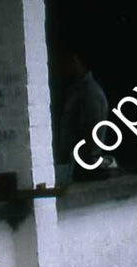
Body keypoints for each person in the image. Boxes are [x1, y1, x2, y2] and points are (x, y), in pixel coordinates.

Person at [54, 45, 111, 183]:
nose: (62, 69)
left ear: (75, 61)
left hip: (84, 167)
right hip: (76, 165)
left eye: (65, 63)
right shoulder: (76, 90)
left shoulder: (90, 93)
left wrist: (88, 160)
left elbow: (93, 132)